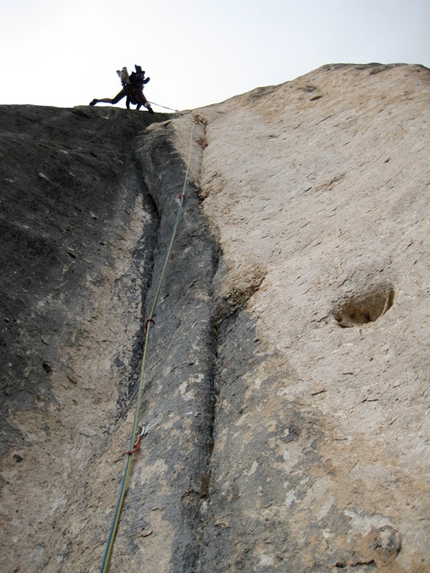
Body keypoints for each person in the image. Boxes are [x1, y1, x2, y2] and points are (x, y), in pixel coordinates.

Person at [90, 65, 154, 113]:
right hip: (131, 88)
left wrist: (133, 110)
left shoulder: (131, 95)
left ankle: (97, 101)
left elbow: (128, 104)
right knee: (114, 101)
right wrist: (150, 109)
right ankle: (97, 101)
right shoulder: (138, 93)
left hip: (127, 88)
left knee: (114, 101)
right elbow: (144, 102)